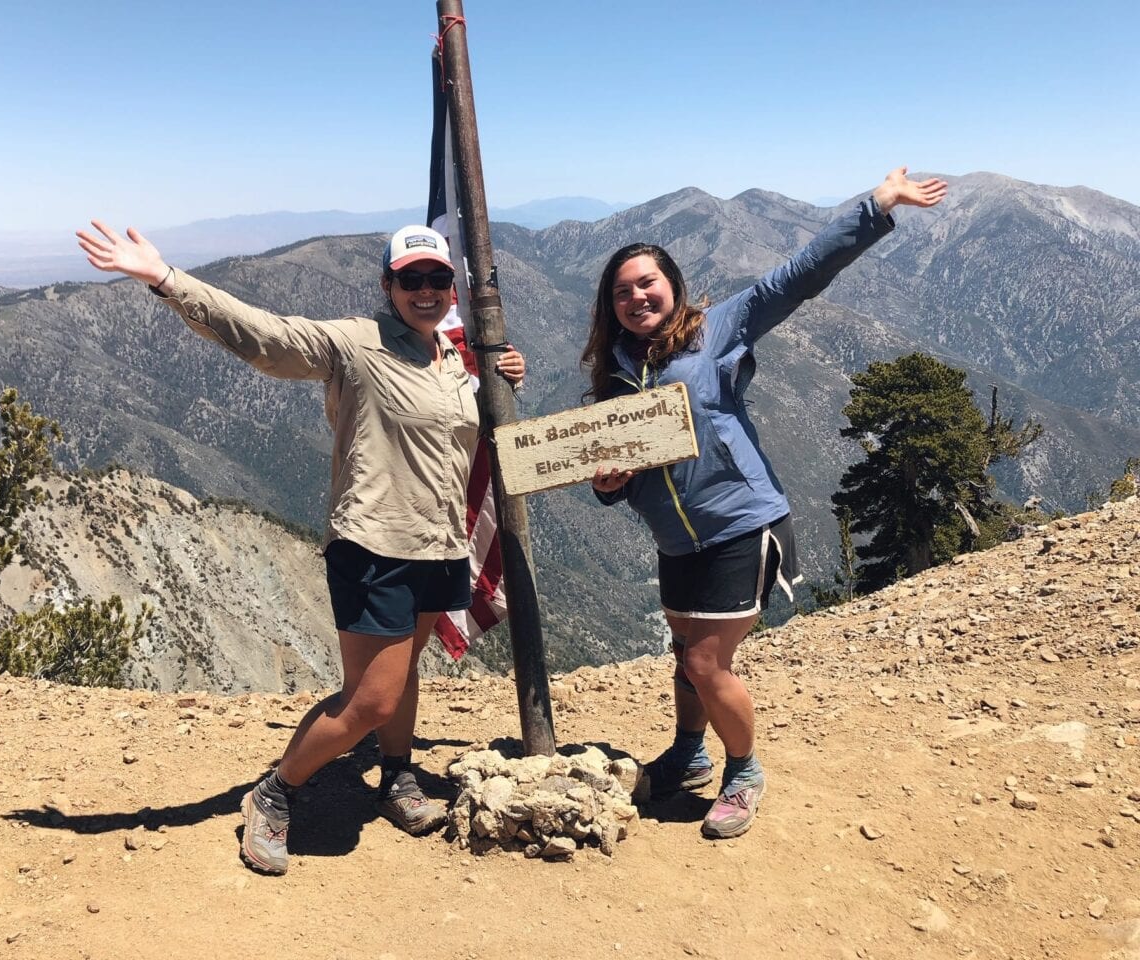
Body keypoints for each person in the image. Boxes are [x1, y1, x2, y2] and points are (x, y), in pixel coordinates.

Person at [76, 221, 526, 873]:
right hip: (375, 546)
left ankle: (396, 776)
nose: (425, 290)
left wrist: (505, 374)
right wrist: (165, 279)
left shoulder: (453, 356)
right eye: (411, 280)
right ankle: (275, 793)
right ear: (388, 286)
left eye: (437, 279)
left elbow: (473, 429)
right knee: (370, 699)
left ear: (450, 286)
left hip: (440, 545)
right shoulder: (354, 343)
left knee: (402, 678)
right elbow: (266, 338)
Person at [583, 167, 948, 840]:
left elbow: (798, 275)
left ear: (674, 286)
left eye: (647, 283)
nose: (637, 297)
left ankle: (743, 772)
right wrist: (610, 485)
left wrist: (877, 206)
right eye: (623, 291)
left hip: (742, 523)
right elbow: (626, 471)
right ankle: (690, 756)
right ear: (611, 306)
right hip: (677, 540)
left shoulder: (715, 331)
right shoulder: (615, 376)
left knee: (704, 663)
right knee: (684, 651)